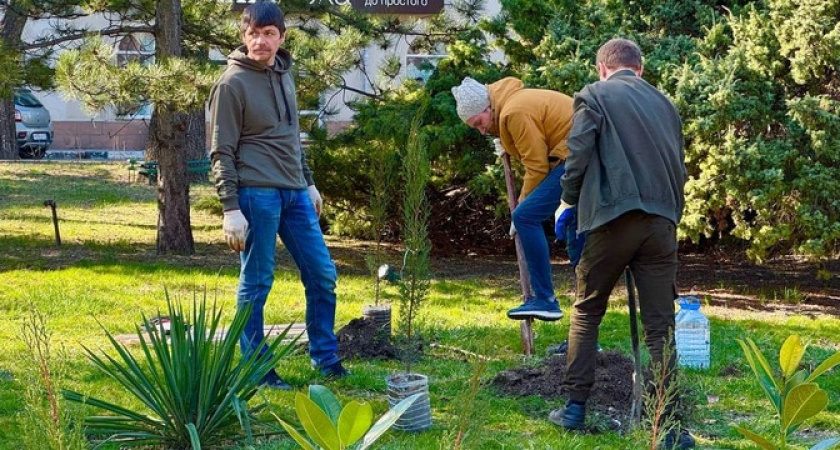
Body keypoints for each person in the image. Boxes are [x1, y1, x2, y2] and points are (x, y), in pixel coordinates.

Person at [550, 38, 694, 448]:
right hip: (662, 222)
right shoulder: (665, 104)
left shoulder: (593, 96)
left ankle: (575, 408)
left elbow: (578, 151)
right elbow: (679, 166)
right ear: (640, 69)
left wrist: (567, 202)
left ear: (601, 68)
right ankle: (670, 425)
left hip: (612, 219)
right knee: (659, 327)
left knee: (587, 309)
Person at [209, 0, 346, 390]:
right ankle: (257, 367)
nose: (261, 41)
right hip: (256, 194)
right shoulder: (231, 84)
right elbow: (220, 150)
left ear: (282, 37)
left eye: (269, 34)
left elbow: (291, 138)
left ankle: (326, 356)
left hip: (294, 194)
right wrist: (230, 208)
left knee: (322, 274)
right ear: (243, 36)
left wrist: (309, 181)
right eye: (254, 33)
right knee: (256, 283)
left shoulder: (284, 73)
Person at [451, 76, 584, 321]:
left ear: (488, 108)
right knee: (578, 246)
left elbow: (536, 166)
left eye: (479, 123)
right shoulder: (513, 106)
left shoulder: (514, 111)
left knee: (525, 217)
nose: (481, 130)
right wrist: (507, 142)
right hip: (582, 158)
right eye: (475, 128)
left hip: (576, 160)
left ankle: (545, 300)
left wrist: (522, 205)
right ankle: (584, 339)